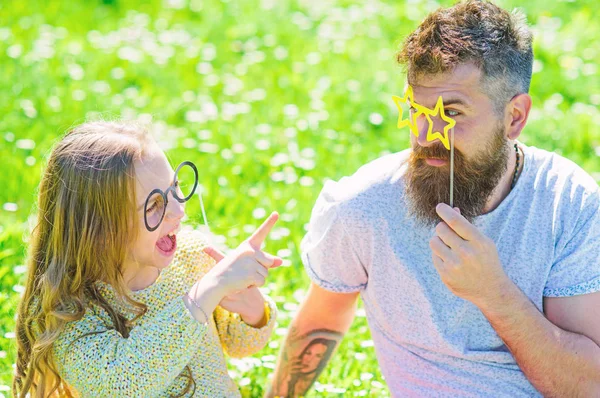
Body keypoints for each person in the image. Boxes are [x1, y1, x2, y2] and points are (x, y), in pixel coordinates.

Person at [268, 1, 600, 397]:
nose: (427, 136)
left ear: (514, 117)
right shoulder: (364, 206)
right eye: (417, 110)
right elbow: (319, 324)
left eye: (452, 113)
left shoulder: (567, 205)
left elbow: (586, 386)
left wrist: (494, 293)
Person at [13, 121, 281, 397]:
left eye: (175, 186)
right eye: (154, 205)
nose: (178, 211)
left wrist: (253, 310)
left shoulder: (192, 256)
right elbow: (124, 383)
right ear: (98, 229)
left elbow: (239, 344)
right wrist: (205, 294)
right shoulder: (70, 309)